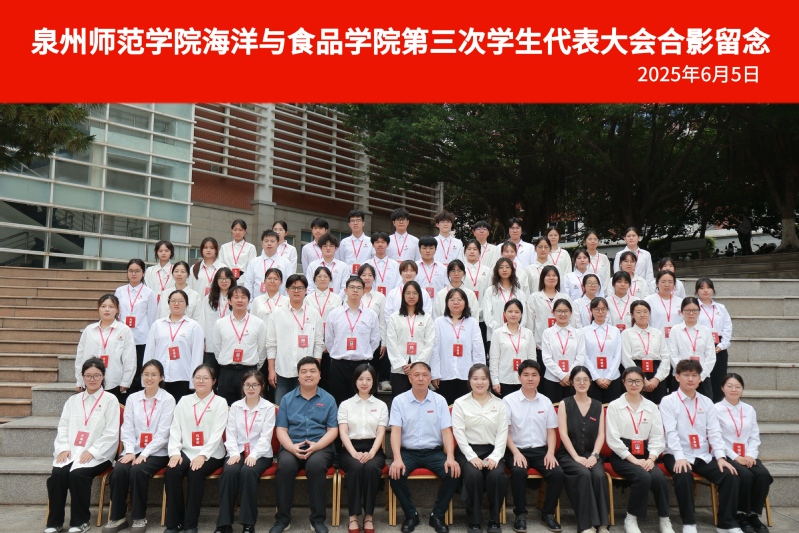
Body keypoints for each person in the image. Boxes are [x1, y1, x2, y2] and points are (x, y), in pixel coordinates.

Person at [660, 359, 740, 533]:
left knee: (729, 475)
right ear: (677, 377)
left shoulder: (706, 402)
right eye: (686, 375)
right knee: (683, 473)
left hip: (702, 454)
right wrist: (679, 457)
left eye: (695, 375)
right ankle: (689, 523)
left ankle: (726, 523)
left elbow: (714, 432)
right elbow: (670, 433)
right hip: (676, 453)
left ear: (700, 378)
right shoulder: (668, 401)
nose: (691, 379)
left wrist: (721, 457)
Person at [46, 358, 120, 533]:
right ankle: (54, 523)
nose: (92, 379)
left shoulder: (110, 400)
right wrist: (63, 448)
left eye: (96, 375)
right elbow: (63, 427)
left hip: (100, 453)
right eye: (88, 375)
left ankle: (80, 522)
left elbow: (111, 433)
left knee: (78, 474)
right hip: (72, 450)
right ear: (83, 377)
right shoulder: (73, 400)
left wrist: (93, 451)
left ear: (103, 376)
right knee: (58, 474)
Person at [103, 360, 175, 533]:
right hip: (133, 449)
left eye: (154, 374)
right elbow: (127, 428)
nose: (149, 378)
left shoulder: (168, 399)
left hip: (157, 452)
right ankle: (118, 517)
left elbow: (163, 433)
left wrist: (145, 453)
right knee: (119, 471)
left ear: (161, 377)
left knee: (138, 470)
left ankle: (138, 517)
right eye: (146, 374)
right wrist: (129, 451)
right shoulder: (133, 398)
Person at [389, 362, 461, 533]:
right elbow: (395, 432)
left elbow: (446, 432)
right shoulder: (399, 401)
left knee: (452, 472)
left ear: (430, 378)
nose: (420, 378)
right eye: (416, 375)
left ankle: (437, 515)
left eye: (424, 375)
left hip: (434, 452)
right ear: (409, 378)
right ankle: (411, 514)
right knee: (395, 474)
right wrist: (397, 458)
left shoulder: (440, 400)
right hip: (408, 452)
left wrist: (450, 457)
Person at [272, 357, 338, 533]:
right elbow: (281, 430)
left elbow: (333, 430)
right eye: (304, 372)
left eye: (312, 371)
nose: (308, 375)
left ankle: (317, 520)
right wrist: (291, 448)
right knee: (285, 466)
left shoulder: (329, 399)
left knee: (316, 466)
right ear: (298, 376)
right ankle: (282, 520)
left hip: (320, 446)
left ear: (319, 375)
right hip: (292, 445)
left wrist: (317, 446)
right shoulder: (287, 399)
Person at [605, 367, 673, 533]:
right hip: (622, 455)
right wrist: (633, 460)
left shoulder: (651, 407)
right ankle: (631, 518)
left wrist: (651, 458)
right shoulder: (615, 406)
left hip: (646, 455)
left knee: (659, 478)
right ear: (623, 383)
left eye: (637, 381)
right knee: (642, 476)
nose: (634, 384)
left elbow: (658, 436)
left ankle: (665, 519)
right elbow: (613, 439)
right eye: (630, 381)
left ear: (643, 383)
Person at [164, 364, 227, 533]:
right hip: (186, 450)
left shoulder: (220, 402)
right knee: (172, 471)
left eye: (206, 378)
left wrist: (203, 455)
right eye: (198, 377)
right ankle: (174, 522)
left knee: (195, 472)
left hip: (212, 452)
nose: (201, 381)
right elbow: (175, 428)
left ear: (214, 381)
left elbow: (217, 434)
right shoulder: (184, 401)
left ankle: (190, 524)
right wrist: (174, 452)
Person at [504, 360, 564, 533]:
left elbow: (551, 431)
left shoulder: (546, 402)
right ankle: (520, 514)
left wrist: (550, 453)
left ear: (539, 378)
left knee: (557, 473)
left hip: (540, 451)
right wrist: (516, 453)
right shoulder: (509, 401)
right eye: (526, 375)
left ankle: (548, 514)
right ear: (519, 378)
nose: (530, 378)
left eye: (534, 375)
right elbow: (504, 432)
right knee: (518, 471)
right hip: (515, 449)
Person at [215, 370, 276, 533]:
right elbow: (230, 433)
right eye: (247, 385)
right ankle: (224, 524)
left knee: (248, 472)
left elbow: (266, 436)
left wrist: (254, 455)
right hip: (238, 451)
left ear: (262, 386)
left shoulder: (268, 407)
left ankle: (248, 523)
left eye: (255, 385)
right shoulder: (236, 407)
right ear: (242, 386)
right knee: (230, 471)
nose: (251, 388)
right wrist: (234, 453)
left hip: (261, 453)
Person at [452, 364, 508, 533]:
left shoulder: (499, 404)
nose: (480, 382)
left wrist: (496, 456)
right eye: (475, 378)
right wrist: (471, 456)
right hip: (467, 450)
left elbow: (502, 433)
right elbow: (458, 433)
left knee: (497, 475)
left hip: (492, 450)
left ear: (489, 381)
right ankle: (474, 518)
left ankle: (494, 518)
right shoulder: (460, 403)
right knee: (473, 474)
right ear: (469, 381)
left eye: (484, 378)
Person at [715, 374, 773, 533]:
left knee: (763, 474)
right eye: (729, 386)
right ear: (722, 388)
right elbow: (717, 439)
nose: (734, 389)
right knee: (745, 475)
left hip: (748, 455)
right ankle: (740, 514)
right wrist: (736, 457)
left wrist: (750, 455)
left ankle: (753, 514)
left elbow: (754, 436)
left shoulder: (749, 409)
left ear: (742, 389)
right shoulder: (716, 409)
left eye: (738, 386)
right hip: (728, 454)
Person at [556, 366, 610, 533]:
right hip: (569, 455)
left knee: (599, 475)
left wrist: (595, 455)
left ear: (590, 382)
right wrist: (576, 457)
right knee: (584, 474)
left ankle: (602, 524)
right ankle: (586, 524)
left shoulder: (598, 405)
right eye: (578, 380)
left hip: (591, 454)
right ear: (572, 382)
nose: (582, 383)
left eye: (585, 379)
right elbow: (563, 434)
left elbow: (601, 434)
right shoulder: (565, 404)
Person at [338, 364, 388, 533]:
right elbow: (343, 433)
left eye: (368, 379)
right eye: (361, 379)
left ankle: (368, 516)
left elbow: (381, 432)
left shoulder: (381, 405)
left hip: (374, 448)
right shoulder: (345, 405)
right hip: (350, 449)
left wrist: (372, 452)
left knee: (372, 468)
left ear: (374, 382)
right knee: (356, 467)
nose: (364, 383)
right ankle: (353, 516)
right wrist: (354, 453)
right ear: (355, 381)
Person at [267, 273, 324, 405]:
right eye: (293, 288)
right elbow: (271, 344)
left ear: (306, 290)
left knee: (304, 409)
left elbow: (318, 344)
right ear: (287, 290)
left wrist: (315, 369)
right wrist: (271, 370)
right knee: (281, 408)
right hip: (282, 371)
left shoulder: (314, 314)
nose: (296, 291)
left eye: (300, 288)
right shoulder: (277, 314)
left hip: (306, 373)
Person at [325, 276, 381, 406]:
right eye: (352, 287)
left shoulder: (371, 315)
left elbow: (374, 341)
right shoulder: (334, 314)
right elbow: (329, 340)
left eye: (359, 288)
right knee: (339, 403)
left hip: (362, 365)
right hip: (338, 365)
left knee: (362, 403)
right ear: (345, 290)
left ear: (363, 291)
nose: (355, 290)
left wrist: (363, 352)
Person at [145, 289, 205, 402]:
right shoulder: (157, 325)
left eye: (180, 301)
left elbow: (197, 355)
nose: (176, 304)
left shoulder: (194, 326)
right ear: (168, 303)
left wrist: (194, 381)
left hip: (182, 376)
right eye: (173, 301)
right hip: (158, 377)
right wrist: (147, 376)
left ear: (186, 304)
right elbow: (149, 351)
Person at [75, 294, 136, 403]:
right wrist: (79, 380)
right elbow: (80, 356)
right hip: (90, 380)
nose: (107, 309)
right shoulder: (89, 330)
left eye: (111, 306)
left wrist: (126, 381)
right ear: (98, 309)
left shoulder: (124, 330)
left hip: (114, 380)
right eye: (103, 306)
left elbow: (130, 358)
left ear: (117, 310)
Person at [430, 288, 486, 406]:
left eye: (460, 299)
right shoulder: (439, 323)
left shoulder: (472, 323)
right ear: (447, 303)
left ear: (465, 303)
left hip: (466, 375)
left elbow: (478, 350)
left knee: (466, 410)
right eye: (452, 299)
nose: (456, 302)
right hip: (445, 375)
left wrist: (479, 375)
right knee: (446, 409)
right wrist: (435, 373)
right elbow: (434, 350)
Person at [214, 286, 267, 406]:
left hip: (249, 371)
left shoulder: (258, 323)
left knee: (249, 406)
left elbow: (262, 350)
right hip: (227, 372)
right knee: (226, 407)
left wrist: (254, 367)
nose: (240, 300)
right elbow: (217, 349)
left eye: (243, 297)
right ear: (229, 301)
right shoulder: (220, 323)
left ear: (248, 301)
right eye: (236, 297)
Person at [115, 258, 158, 395]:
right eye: (131, 271)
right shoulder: (120, 291)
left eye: (137, 271)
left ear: (143, 273)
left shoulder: (149, 292)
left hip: (141, 338)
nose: (134, 274)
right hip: (122, 337)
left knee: (139, 369)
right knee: (122, 368)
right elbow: (117, 314)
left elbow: (151, 317)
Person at [386, 280, 435, 397]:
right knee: (400, 400)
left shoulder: (427, 318)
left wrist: (416, 364)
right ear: (403, 296)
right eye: (408, 293)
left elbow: (429, 343)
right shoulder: (394, 317)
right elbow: (391, 342)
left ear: (420, 296)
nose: (411, 296)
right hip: (400, 368)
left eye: (415, 293)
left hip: (420, 369)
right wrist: (402, 364)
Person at [526, 265, 578, 369]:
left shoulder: (564, 297)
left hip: (562, 345)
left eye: (554, 275)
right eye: (548, 275)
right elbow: (530, 322)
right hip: (540, 345)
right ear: (542, 278)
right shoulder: (534, 297)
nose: (551, 278)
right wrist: (532, 341)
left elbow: (572, 321)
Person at [620, 301, 670, 405]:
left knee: (658, 406)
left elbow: (665, 357)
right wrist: (642, 380)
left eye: (645, 312)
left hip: (657, 373)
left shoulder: (657, 333)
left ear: (649, 314)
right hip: (635, 372)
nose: (642, 315)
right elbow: (626, 358)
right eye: (638, 312)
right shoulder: (626, 333)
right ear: (632, 315)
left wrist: (657, 379)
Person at [667, 297, 716, 397]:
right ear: (681, 312)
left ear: (699, 311)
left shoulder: (706, 331)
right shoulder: (675, 330)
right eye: (687, 310)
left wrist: (700, 376)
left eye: (694, 310)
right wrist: (684, 375)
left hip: (702, 377)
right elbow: (673, 355)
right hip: (680, 378)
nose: (691, 313)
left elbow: (710, 357)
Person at [540, 299, 586, 403]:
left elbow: (580, 357)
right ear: (553, 312)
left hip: (573, 380)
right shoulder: (547, 333)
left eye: (566, 311)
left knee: (572, 410)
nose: (562, 314)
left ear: (571, 313)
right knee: (553, 409)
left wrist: (569, 376)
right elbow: (547, 358)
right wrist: (562, 375)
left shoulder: (578, 334)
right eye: (559, 311)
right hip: (552, 379)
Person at [695, 277, 733, 403]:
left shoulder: (720, 308)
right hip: (701, 345)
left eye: (708, 287)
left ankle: (717, 405)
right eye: (702, 288)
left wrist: (722, 345)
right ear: (697, 291)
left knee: (719, 378)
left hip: (719, 346)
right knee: (703, 377)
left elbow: (727, 327)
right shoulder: (694, 307)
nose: (705, 290)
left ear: (713, 290)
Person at [489, 299, 536, 397]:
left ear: (521, 314)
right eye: (510, 311)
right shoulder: (497, 333)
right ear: (504, 314)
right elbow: (494, 359)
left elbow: (532, 359)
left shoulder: (528, 333)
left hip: (524, 380)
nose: (513, 314)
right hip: (504, 380)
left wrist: (532, 379)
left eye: (517, 312)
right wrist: (495, 381)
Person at [581, 297, 624, 403]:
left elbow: (617, 355)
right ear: (591, 310)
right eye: (597, 309)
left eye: (603, 309)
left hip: (613, 378)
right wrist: (596, 377)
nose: (600, 312)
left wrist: (609, 377)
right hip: (591, 378)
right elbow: (584, 356)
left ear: (607, 311)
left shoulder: (615, 331)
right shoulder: (583, 331)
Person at [358, 263, 390, 392]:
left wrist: (384, 342)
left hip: (375, 338)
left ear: (374, 278)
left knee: (374, 367)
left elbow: (382, 321)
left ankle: (379, 384)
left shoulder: (380, 297)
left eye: (370, 275)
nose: (367, 278)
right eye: (363, 275)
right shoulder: (354, 294)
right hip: (358, 338)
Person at [200, 267, 236, 377]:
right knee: (210, 375)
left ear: (231, 280)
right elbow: (202, 320)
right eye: (220, 278)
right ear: (216, 281)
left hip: (230, 343)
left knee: (226, 377)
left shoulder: (236, 298)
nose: (224, 281)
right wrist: (203, 340)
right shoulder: (208, 299)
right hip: (211, 344)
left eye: (226, 278)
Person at [482, 257, 527, 344]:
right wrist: (500, 330)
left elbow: (524, 315)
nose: (504, 270)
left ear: (512, 270)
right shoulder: (490, 291)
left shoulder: (519, 293)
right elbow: (487, 315)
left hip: (516, 335)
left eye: (507, 267)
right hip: (495, 335)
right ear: (497, 270)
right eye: (501, 267)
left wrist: (514, 330)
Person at [243, 230, 291, 299]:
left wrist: (286, 302)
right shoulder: (254, 262)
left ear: (278, 244)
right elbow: (248, 284)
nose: (269, 243)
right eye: (266, 241)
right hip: (258, 302)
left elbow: (289, 285)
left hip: (280, 302)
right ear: (262, 244)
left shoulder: (286, 263)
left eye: (272, 241)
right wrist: (250, 302)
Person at [337, 209, 376, 273]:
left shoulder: (370, 241)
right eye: (352, 221)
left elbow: (373, 260)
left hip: (365, 275)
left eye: (358, 220)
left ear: (363, 223)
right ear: (349, 224)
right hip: (348, 275)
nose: (355, 223)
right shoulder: (344, 242)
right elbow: (341, 261)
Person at [365, 231, 402, 296]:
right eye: (377, 242)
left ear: (387, 244)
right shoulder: (366, 264)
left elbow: (398, 285)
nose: (380, 245)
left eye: (383, 242)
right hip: (370, 299)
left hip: (390, 299)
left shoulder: (395, 265)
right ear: (373, 245)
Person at [416, 235, 449, 300]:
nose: (428, 251)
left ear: (435, 249)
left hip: (438, 302)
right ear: (419, 249)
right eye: (424, 248)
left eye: (431, 248)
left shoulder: (442, 268)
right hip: (419, 302)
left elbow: (446, 288)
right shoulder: (414, 267)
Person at [144, 240, 175, 305]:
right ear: (156, 253)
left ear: (171, 252)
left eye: (166, 251)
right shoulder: (150, 270)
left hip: (171, 304)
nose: (163, 253)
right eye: (160, 251)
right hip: (153, 304)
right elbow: (146, 289)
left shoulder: (176, 270)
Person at [584, 230, 611, 295]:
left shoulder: (604, 258)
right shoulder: (581, 258)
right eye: (590, 239)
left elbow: (607, 276)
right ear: (585, 241)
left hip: (602, 293)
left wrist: (602, 292)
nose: (592, 241)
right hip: (586, 293)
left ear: (598, 241)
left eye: (595, 239)